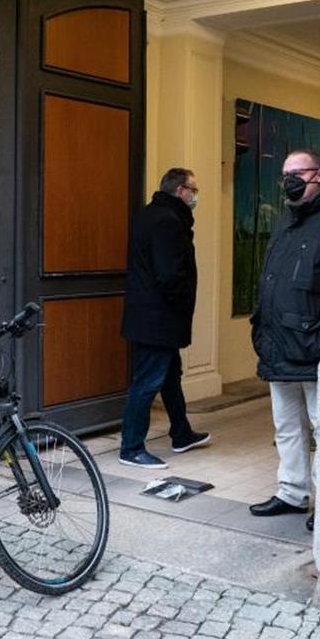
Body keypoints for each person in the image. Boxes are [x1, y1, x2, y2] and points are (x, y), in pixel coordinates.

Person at [248, 149, 320, 532]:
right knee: (286, 426)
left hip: (312, 344)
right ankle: (291, 491)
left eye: (297, 172)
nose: (289, 180)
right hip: (278, 341)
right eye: (284, 174)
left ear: (319, 174)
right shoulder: (287, 219)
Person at [117, 168, 211, 469]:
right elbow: (170, 275)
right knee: (147, 382)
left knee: (170, 377)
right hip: (158, 319)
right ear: (180, 190)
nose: (195, 196)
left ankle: (181, 433)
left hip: (150, 316)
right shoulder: (168, 222)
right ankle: (131, 447)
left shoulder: (149, 214)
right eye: (193, 190)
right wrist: (181, 305)